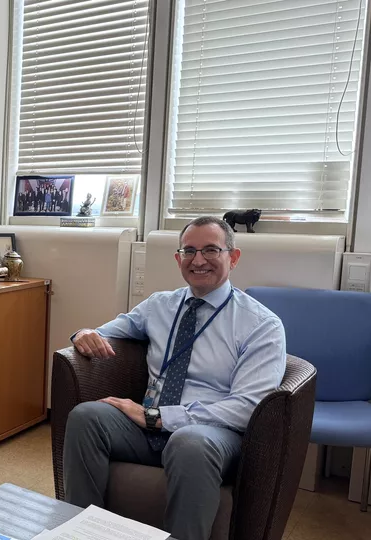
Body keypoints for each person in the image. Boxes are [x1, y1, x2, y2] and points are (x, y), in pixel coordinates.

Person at [63, 216, 286, 540]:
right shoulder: (160, 305)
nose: (198, 260)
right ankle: (83, 533)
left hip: (212, 432)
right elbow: (107, 331)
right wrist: (83, 333)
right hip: (147, 424)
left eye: (211, 250)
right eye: (189, 251)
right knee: (86, 417)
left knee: (189, 442)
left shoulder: (261, 324)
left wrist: (158, 417)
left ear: (233, 257)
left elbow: (250, 407)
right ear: (178, 258)